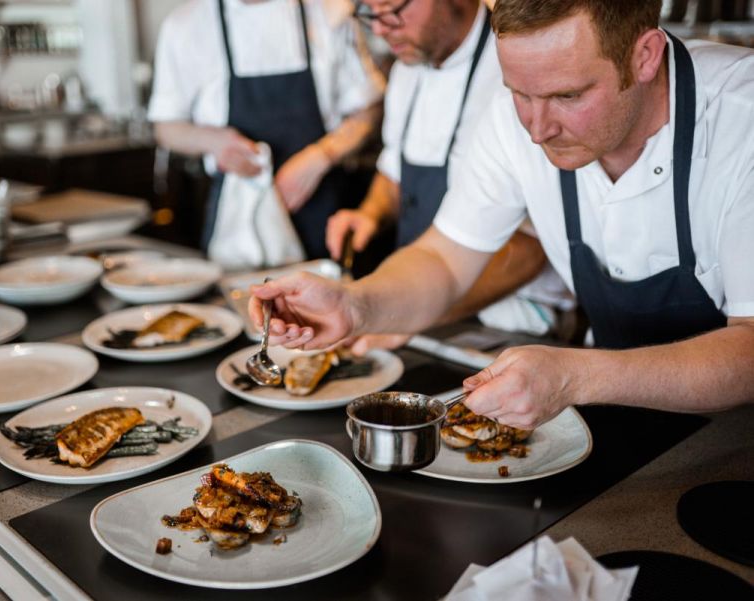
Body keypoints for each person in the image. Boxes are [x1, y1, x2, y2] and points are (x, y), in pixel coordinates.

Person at [249, 0, 754, 428]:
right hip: (612, 415)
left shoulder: (741, 120)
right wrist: (356, 305)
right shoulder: (513, 122)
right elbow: (445, 261)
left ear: (645, 55)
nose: (536, 129)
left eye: (568, 96)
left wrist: (573, 376)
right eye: (520, 94)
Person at [323, 0, 569, 349]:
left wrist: (412, 310)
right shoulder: (408, 68)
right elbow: (395, 169)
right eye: (370, 11)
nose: (379, 28)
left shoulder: (518, 70)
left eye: (392, 9)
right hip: (415, 305)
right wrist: (370, 213)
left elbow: (532, 247)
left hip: (507, 327)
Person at [149, 0, 385, 259]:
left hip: (325, 216)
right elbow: (166, 128)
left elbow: (370, 110)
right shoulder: (185, 25)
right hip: (238, 223)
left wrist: (322, 155)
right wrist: (214, 142)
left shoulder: (331, 11)